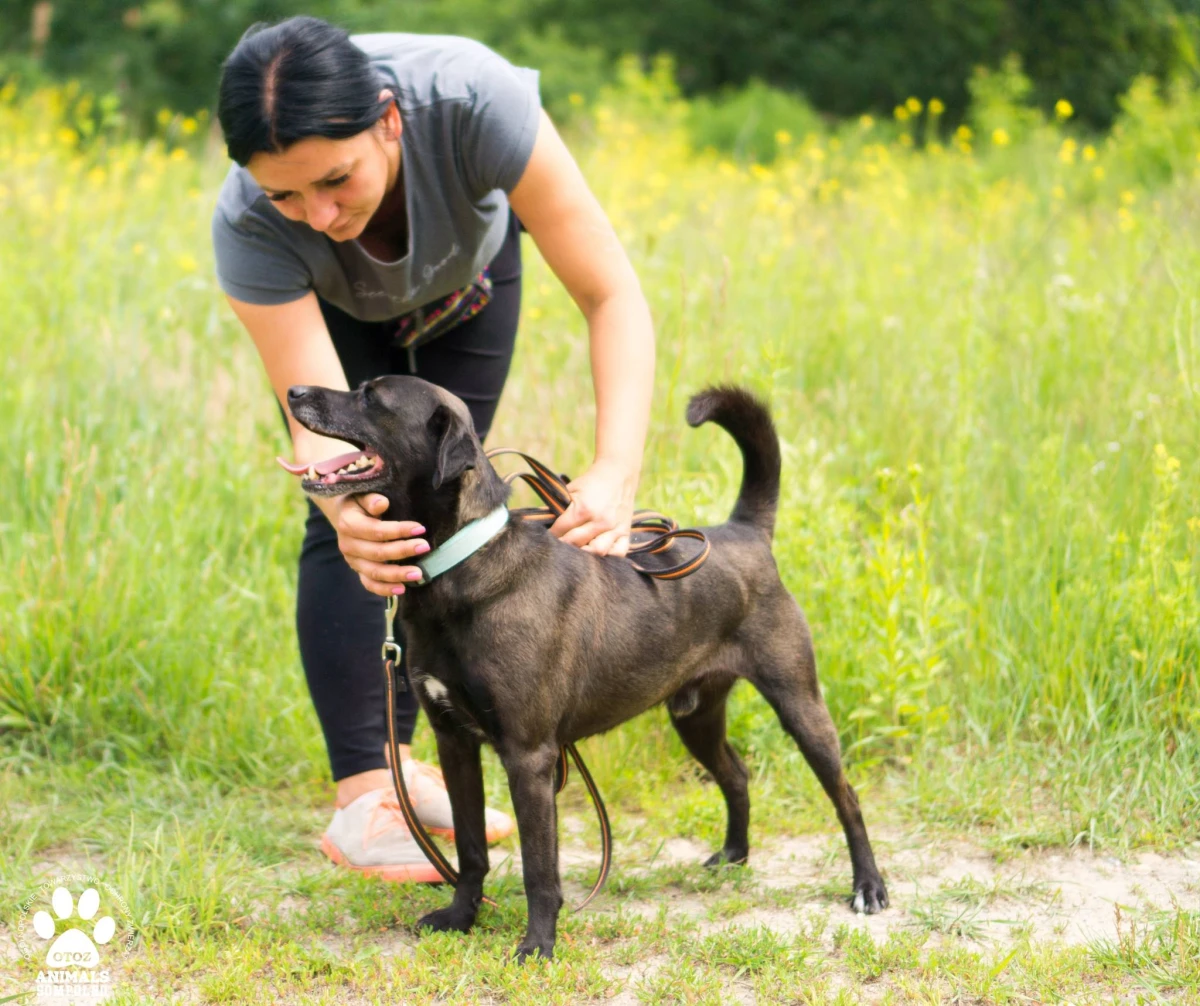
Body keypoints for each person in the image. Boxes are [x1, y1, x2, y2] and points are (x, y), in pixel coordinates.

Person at [212, 16, 655, 881]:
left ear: (389, 121)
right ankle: (368, 796)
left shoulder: (475, 103)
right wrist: (341, 510)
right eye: (288, 197)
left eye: (336, 180)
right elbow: (321, 438)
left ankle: (418, 760)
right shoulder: (247, 224)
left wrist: (615, 468)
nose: (321, 216)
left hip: (469, 286)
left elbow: (611, 295)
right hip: (339, 314)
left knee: (444, 505)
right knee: (366, 518)